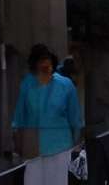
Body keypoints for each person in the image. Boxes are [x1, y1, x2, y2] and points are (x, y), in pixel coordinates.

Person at [12, 41, 85, 184]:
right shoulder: (27, 85)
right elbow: (19, 118)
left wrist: (76, 146)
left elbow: (75, 119)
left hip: (59, 148)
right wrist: (18, 144)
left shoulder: (65, 85)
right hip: (33, 148)